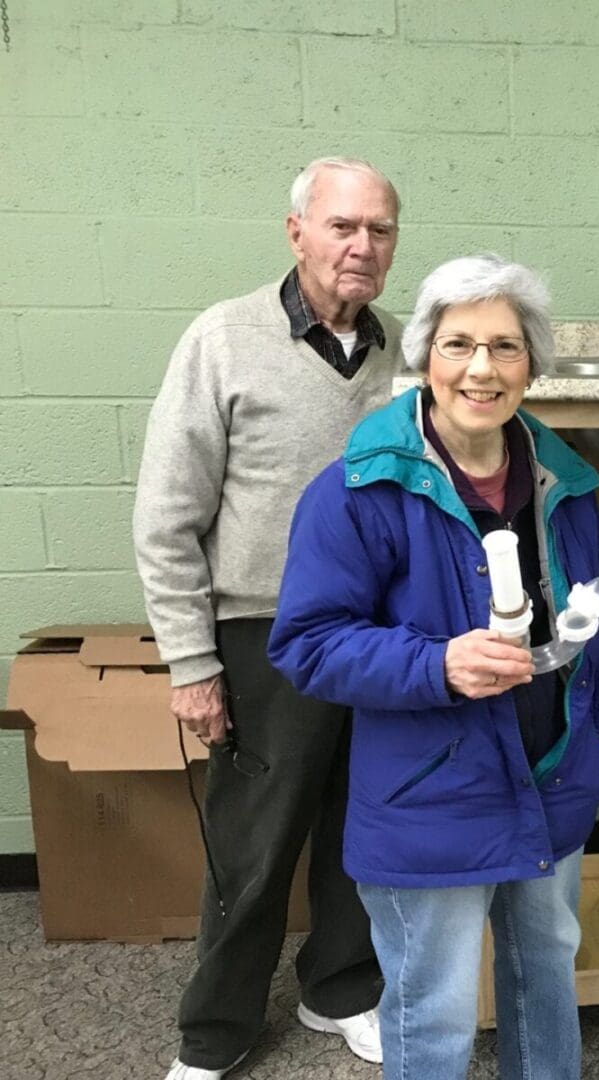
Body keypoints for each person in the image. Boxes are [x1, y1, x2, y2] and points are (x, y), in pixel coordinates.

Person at [267, 253, 599, 1080]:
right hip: (426, 796)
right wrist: (438, 666)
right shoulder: (357, 491)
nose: (482, 368)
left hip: (552, 781)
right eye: (459, 343)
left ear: (531, 364)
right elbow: (308, 642)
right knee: (430, 1011)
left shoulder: (566, 485)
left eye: (506, 347)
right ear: (426, 356)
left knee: (545, 983)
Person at [133, 157, 404, 1079]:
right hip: (265, 635)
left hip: (382, 637)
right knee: (251, 845)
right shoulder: (223, 339)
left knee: (361, 828)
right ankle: (214, 1034)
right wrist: (190, 664)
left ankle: (342, 990)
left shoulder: (407, 351)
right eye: (342, 226)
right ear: (297, 232)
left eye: (379, 230)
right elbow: (166, 518)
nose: (362, 246)